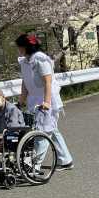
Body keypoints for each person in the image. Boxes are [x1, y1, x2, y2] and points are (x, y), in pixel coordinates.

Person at [15, 33, 74, 170]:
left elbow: (48, 82)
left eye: (20, 47)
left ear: (26, 47)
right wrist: (21, 101)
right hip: (34, 100)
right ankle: (66, 160)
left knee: (43, 133)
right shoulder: (24, 61)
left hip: (47, 100)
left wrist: (47, 103)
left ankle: (33, 166)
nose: (18, 50)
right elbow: (25, 82)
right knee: (51, 130)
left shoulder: (41, 59)